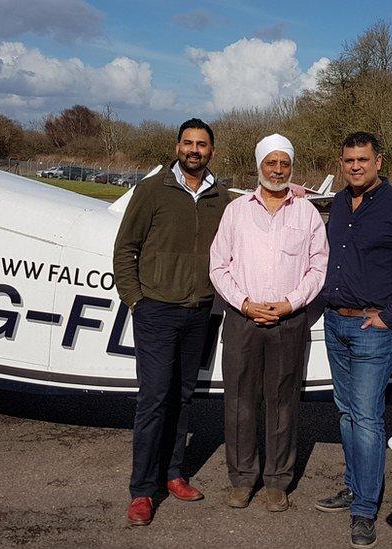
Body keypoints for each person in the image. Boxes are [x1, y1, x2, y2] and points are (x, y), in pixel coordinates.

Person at [314, 132, 392, 548]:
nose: (355, 167)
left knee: (366, 418)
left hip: (371, 329)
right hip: (336, 323)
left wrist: (388, 316)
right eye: (348, 160)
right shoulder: (341, 203)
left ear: (378, 161)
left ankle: (365, 510)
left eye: (362, 159)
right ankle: (352, 488)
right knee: (346, 412)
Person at [113, 118, 232, 526]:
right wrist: (136, 301)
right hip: (157, 312)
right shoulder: (151, 190)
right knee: (153, 400)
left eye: (201, 145)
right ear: (177, 146)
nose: (194, 150)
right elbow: (125, 248)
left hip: (199, 311)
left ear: (211, 151)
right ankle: (142, 491)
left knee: (183, 397)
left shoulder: (223, 198)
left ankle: (173, 474)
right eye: (187, 143)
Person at [209, 134, 328, 512]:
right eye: (270, 163)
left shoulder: (307, 213)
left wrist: (290, 303)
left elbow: (317, 267)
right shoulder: (236, 211)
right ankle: (243, 478)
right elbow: (218, 265)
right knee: (240, 401)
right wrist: (244, 304)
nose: (278, 170)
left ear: (292, 167)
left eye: (284, 163)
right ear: (259, 166)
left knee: (282, 403)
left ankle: (277, 481)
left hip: (287, 322)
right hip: (243, 320)